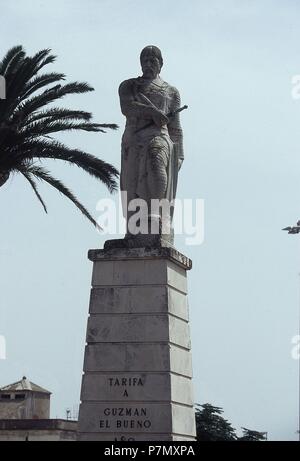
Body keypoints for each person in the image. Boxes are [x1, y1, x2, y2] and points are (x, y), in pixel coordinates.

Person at [119, 45, 184, 242]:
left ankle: (155, 213)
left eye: (152, 60)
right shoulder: (129, 86)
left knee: (157, 163)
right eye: (144, 60)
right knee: (132, 186)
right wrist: (153, 113)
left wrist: (179, 154)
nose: (148, 64)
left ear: (161, 64)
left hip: (160, 136)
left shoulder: (171, 92)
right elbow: (128, 107)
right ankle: (135, 226)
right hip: (135, 138)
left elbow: (176, 127)